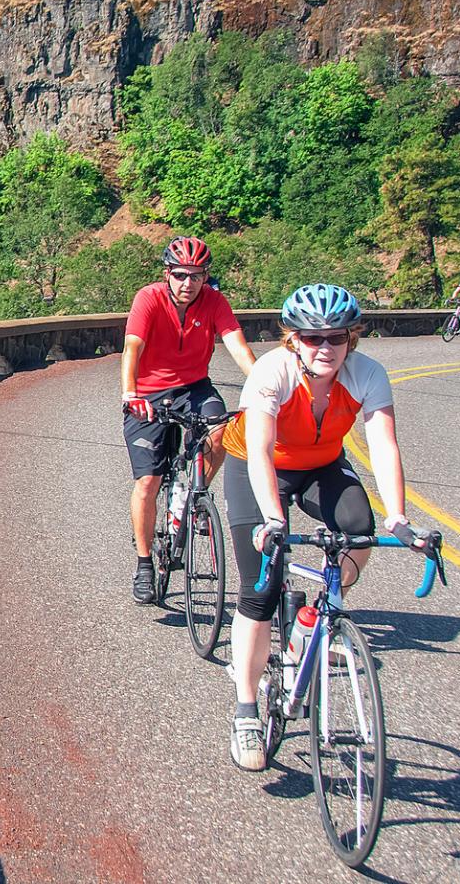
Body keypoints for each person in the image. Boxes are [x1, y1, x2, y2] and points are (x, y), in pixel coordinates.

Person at [221, 283, 409, 771]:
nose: (324, 348)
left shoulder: (368, 374)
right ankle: (245, 709)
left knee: (358, 528)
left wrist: (400, 517)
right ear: (293, 340)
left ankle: (311, 622)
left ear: (353, 338)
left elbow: (384, 446)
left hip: (322, 464)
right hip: (258, 466)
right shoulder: (272, 372)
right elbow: (261, 450)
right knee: (259, 588)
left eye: (336, 338)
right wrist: (273, 520)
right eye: (311, 338)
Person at [122, 237, 256, 603]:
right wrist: (130, 394)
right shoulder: (148, 298)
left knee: (221, 432)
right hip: (148, 393)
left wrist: (265, 388)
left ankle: (192, 494)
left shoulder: (215, 302)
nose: (188, 283)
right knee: (148, 483)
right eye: (180, 275)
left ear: (206, 277)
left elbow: (238, 346)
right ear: (167, 274)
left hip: (194, 388)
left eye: (197, 276)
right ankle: (145, 564)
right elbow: (132, 347)